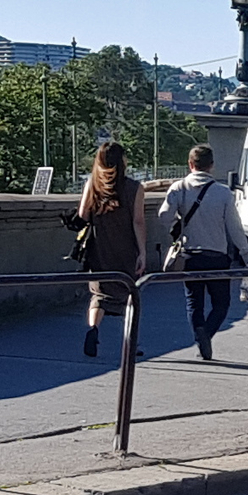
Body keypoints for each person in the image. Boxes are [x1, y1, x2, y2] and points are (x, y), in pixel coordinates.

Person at [155, 143, 248, 361]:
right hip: (217, 256)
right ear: (212, 166)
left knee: (194, 302)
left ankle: (200, 334)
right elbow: (234, 228)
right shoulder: (223, 193)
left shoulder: (178, 188)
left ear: (190, 164)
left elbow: (164, 216)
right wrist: (247, 256)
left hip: (190, 255)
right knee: (221, 304)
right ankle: (206, 335)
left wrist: (177, 229)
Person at [76, 141, 148, 359]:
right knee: (129, 294)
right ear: (123, 161)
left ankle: (93, 329)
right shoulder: (134, 188)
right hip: (125, 247)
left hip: (100, 247)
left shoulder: (93, 185)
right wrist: (142, 252)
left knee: (99, 294)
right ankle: (130, 342)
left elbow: (82, 215)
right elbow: (138, 221)